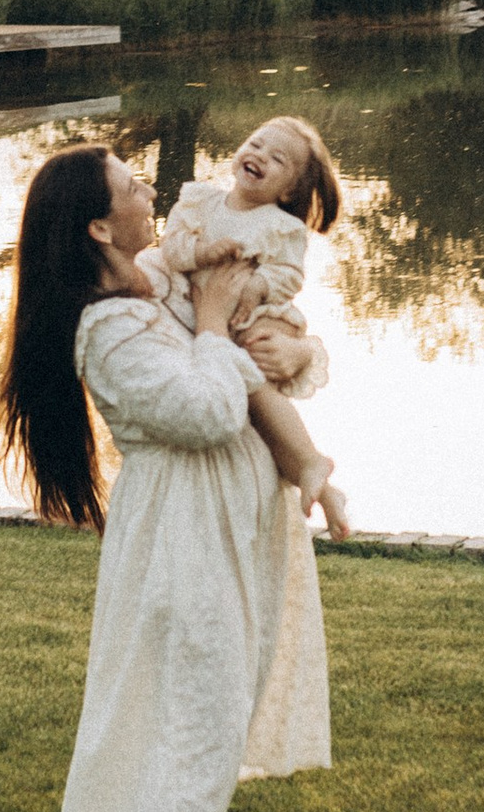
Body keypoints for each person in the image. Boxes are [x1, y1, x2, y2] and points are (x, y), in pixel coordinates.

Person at [0, 141, 333, 812]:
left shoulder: (147, 286)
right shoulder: (105, 326)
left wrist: (298, 355)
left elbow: (263, 348)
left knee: (205, 713)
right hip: (181, 538)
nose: (153, 194)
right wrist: (217, 327)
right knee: (190, 717)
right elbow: (206, 412)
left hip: (213, 527)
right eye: (131, 189)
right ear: (101, 226)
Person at [148, 115, 349, 537]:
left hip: (250, 319)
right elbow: (172, 247)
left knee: (260, 393)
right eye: (256, 144)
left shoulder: (283, 227)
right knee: (255, 405)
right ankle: (320, 483)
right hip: (205, 317)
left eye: (277, 158)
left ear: (289, 189)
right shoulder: (200, 201)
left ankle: (311, 465)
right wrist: (203, 251)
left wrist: (259, 284)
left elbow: (290, 277)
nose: (259, 155)